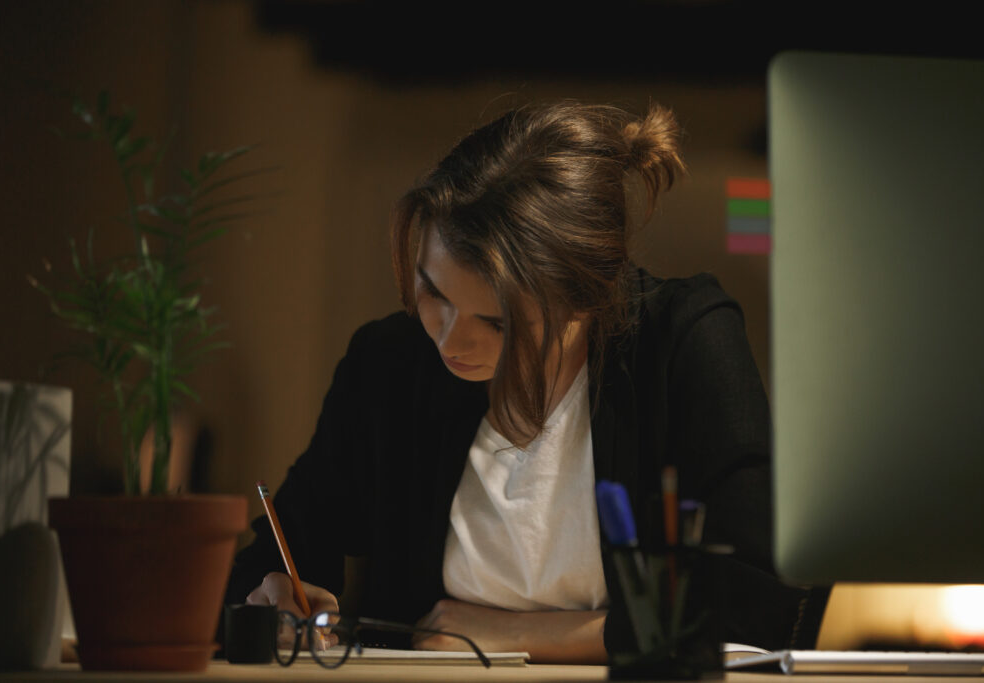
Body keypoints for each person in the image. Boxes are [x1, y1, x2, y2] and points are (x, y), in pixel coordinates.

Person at [224, 100, 825, 663]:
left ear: (588, 298)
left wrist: (516, 634)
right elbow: (279, 554)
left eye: (496, 322)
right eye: (434, 292)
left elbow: (757, 607)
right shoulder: (390, 366)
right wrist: (279, 595)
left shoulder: (681, 343)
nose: (450, 342)